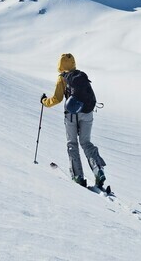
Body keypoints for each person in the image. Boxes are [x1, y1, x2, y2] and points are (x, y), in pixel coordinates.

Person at [40, 53, 106, 188]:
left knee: (72, 144)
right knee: (86, 143)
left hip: (71, 114)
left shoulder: (62, 78)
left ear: (60, 65)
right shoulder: (81, 76)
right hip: (87, 112)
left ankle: (78, 176)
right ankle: (98, 170)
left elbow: (57, 99)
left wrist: (44, 101)